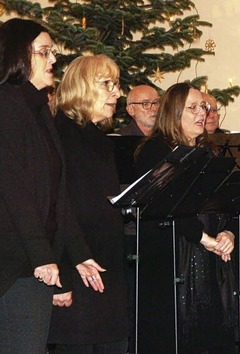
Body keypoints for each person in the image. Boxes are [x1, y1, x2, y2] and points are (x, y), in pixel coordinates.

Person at [0, 18, 104, 353]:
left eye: (53, 52)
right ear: (19, 56)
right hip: (14, 260)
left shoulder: (40, 111)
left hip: (32, 258)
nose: (53, 60)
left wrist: (80, 253)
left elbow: (57, 195)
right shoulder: (5, 105)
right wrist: (41, 256)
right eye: (44, 52)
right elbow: (14, 190)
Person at [134, 82, 236, 353]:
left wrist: (227, 233)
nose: (201, 112)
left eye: (203, 106)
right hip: (173, 262)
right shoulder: (155, 151)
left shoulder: (209, 152)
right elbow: (162, 206)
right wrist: (205, 239)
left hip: (209, 261)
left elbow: (225, 204)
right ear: (174, 112)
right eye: (193, 107)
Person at [48, 54, 128, 353]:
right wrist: (63, 277)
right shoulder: (61, 135)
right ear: (81, 87)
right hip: (77, 268)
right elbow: (56, 210)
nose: (116, 93)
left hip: (105, 266)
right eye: (106, 84)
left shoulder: (97, 138)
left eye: (116, 84)